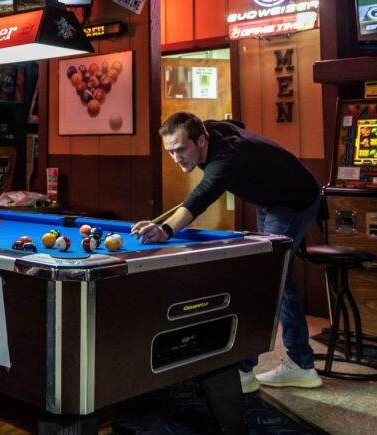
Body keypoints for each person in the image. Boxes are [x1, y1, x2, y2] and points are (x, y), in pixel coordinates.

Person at [133, 112, 322, 393]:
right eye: (171, 151)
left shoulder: (226, 157)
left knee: (267, 281)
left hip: (295, 201)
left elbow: (201, 197)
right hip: (271, 200)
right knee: (279, 279)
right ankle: (301, 364)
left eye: (181, 149)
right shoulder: (210, 132)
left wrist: (165, 230)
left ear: (200, 140)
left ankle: (245, 371)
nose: (177, 157)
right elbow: (235, 126)